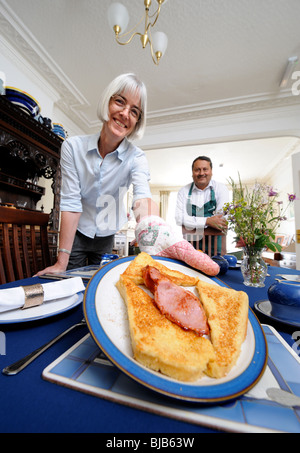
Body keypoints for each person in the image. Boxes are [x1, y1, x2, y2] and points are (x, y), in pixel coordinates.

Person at [36, 73, 158, 275]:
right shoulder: (72, 147)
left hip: (107, 234)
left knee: (98, 283)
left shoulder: (137, 158)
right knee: (69, 280)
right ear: (107, 101)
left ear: (137, 121)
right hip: (77, 231)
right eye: (120, 101)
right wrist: (61, 262)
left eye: (134, 111)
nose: (125, 114)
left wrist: (152, 241)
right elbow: (71, 203)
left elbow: (142, 199)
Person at [175, 156, 229, 253]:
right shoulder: (183, 191)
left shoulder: (221, 188)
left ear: (211, 171)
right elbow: (179, 218)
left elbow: (221, 220)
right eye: (197, 170)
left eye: (205, 169)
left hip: (216, 249)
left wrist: (191, 222)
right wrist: (207, 221)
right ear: (192, 173)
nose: (201, 173)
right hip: (191, 249)